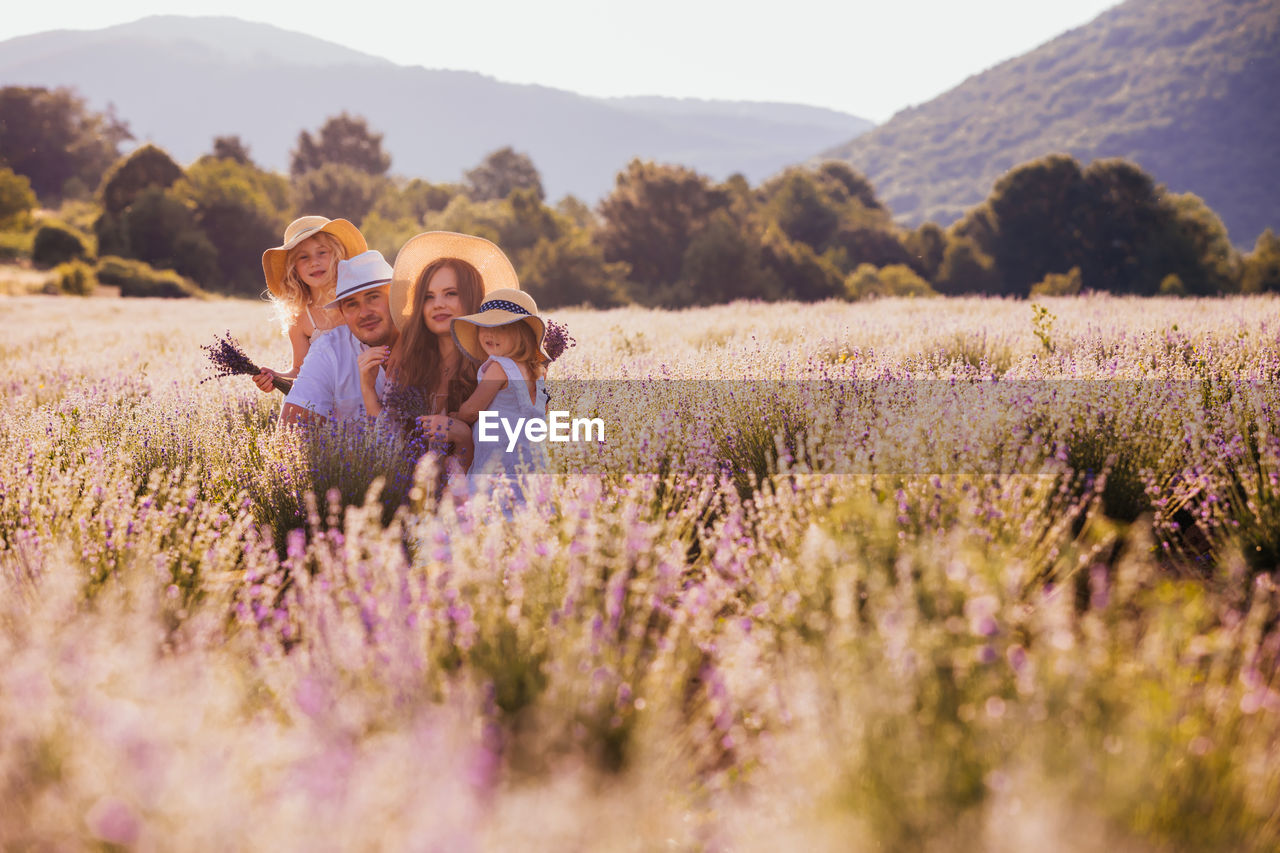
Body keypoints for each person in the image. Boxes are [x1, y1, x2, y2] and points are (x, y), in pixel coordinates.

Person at [359, 231, 520, 471]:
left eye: (451, 294)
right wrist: (368, 388)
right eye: (428, 297)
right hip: (412, 495)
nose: (438, 304)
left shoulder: (494, 368)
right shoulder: (408, 364)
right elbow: (388, 444)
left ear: (473, 299)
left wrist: (462, 436)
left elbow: (507, 454)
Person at [450, 288, 550, 505]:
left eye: (501, 328)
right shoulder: (537, 373)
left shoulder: (499, 368)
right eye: (484, 327)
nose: (490, 334)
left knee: (491, 511)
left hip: (499, 466)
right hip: (533, 466)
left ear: (522, 336)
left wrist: (456, 415)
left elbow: (472, 410)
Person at [279, 250, 397, 426]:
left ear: (396, 298)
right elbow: (289, 436)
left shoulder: (431, 342)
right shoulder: (328, 350)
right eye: (352, 304)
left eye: (373, 297)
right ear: (342, 312)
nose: (364, 313)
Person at [253, 216, 368, 393]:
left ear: (337, 256)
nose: (314, 262)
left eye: (322, 252)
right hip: (329, 402)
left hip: (368, 390)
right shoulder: (301, 319)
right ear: (294, 269)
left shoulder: (358, 301)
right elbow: (300, 371)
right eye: (303, 257)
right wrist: (274, 377)